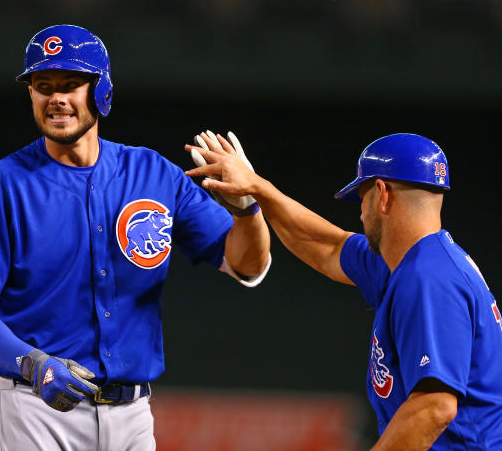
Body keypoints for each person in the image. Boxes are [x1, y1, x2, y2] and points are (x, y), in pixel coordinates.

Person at [0, 24, 271, 450]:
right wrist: (31, 364)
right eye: (43, 86)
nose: (56, 97)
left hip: (132, 415)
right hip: (35, 409)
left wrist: (248, 209)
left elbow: (248, 265)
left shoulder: (153, 174)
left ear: (101, 91)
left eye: (71, 84)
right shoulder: (2, 185)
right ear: (31, 95)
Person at [185, 132, 502, 450]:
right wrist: (257, 190)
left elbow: (434, 408)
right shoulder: (407, 263)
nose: (361, 214)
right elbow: (328, 246)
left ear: (382, 194)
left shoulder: (429, 277)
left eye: (362, 199)